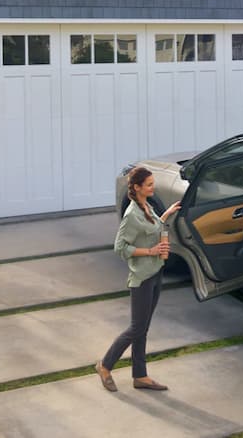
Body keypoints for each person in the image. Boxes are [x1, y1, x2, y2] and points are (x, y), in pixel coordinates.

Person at [95, 167, 180, 392]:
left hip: (155, 272)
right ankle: (105, 365)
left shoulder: (146, 206)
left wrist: (166, 214)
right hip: (142, 277)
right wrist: (150, 251)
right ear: (137, 187)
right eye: (149, 184)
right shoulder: (132, 214)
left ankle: (140, 376)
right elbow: (120, 247)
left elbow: (151, 228)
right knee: (136, 328)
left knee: (143, 327)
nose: (153, 187)